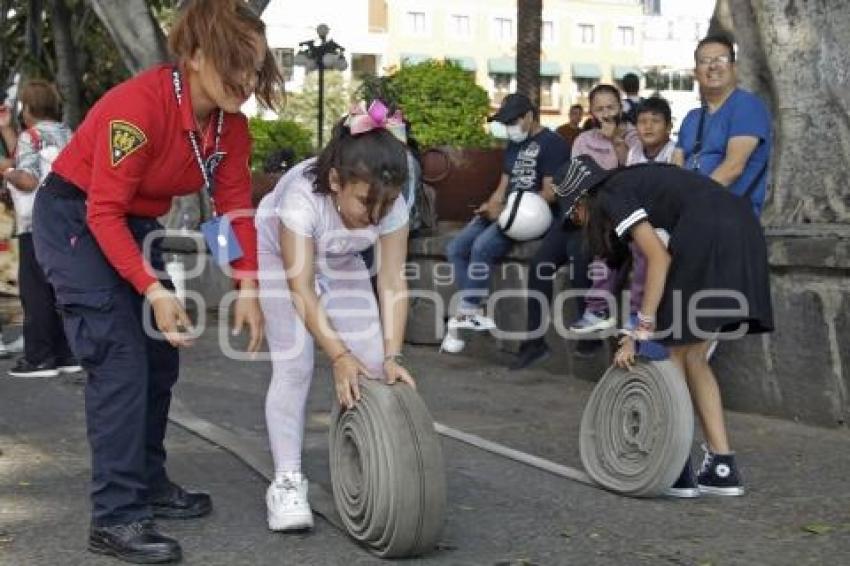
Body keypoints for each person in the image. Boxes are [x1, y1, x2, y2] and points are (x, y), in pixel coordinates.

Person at [31, 1, 277, 562]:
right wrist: (155, 290)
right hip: (76, 215)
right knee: (119, 357)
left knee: (159, 356)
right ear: (193, 54)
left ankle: (146, 480)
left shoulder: (229, 127)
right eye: (235, 61)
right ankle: (116, 516)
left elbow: (230, 209)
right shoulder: (138, 108)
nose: (246, 79)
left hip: (134, 223)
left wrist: (247, 285)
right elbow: (102, 213)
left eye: (256, 65)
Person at [557, 155, 773, 498]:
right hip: (743, 226)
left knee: (669, 357)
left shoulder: (611, 193)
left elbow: (659, 258)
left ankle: (676, 468)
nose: (579, 224)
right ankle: (721, 468)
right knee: (694, 356)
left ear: (582, 200)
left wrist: (639, 333)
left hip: (706, 233)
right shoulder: (636, 181)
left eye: (574, 216)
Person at [256, 103, 415, 532]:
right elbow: (302, 289)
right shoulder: (301, 200)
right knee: (296, 365)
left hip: (342, 256)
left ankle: (372, 464)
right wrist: (337, 354)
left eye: (388, 203)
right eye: (366, 202)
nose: (377, 215)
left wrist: (393, 354)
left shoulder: (389, 202)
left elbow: (393, 281)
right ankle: (286, 480)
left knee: (375, 365)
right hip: (281, 257)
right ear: (335, 181)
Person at [442, 93, 568, 353]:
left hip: (530, 217)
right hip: (505, 210)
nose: (509, 127)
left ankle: (470, 308)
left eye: (513, 121)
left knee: (481, 247)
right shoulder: (513, 144)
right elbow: (502, 185)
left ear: (530, 116)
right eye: (505, 122)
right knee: (455, 248)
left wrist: (510, 210)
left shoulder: (553, 143)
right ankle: (473, 306)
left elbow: (550, 192)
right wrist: (490, 206)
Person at [1, 80, 80, 378]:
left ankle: (39, 357)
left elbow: (28, 179)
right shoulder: (66, 134)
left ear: (27, 109)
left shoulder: (30, 136)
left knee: (34, 293)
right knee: (59, 289)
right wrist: (8, 131)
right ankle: (67, 353)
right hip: (67, 223)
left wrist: (5, 170)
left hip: (36, 223)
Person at [673, 34, 772, 217]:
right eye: (705, 61)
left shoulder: (747, 106)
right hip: (689, 214)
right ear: (696, 73)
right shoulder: (691, 118)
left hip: (730, 216)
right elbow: (676, 169)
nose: (713, 66)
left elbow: (733, 168)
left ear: (734, 68)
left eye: (721, 59)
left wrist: (691, 202)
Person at [568, 84, 639, 336]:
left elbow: (632, 168)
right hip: (593, 209)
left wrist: (616, 141)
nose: (606, 113)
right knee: (580, 251)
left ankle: (599, 308)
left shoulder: (634, 134)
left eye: (611, 107)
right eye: (599, 109)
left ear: (621, 107)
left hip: (627, 208)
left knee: (611, 244)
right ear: (591, 112)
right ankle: (594, 316)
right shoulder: (584, 140)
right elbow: (576, 178)